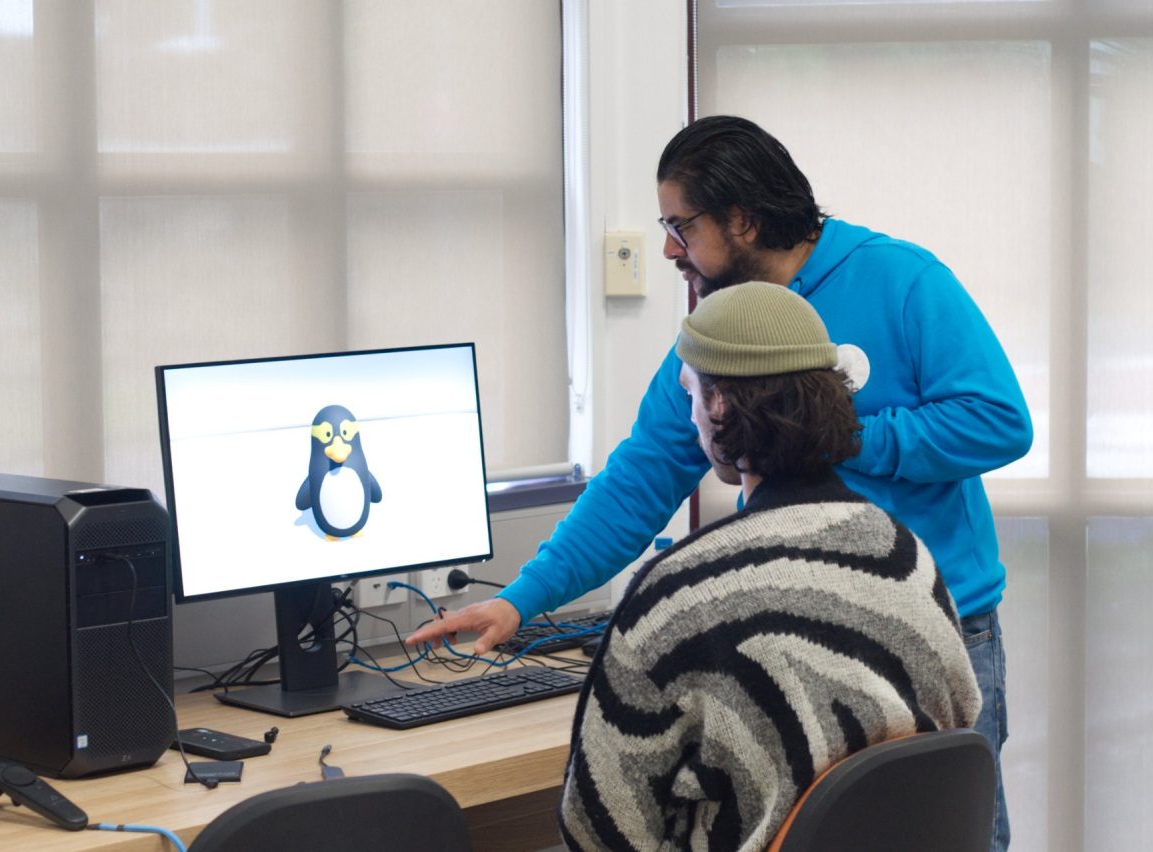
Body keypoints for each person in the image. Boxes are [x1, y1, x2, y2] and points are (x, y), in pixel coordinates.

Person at [408, 115, 1031, 850]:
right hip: (778, 629)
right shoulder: (717, 332)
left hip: (933, 622)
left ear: (742, 219)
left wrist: (837, 429)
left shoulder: (900, 279)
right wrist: (520, 601)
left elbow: (998, 420)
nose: (670, 247)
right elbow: (639, 480)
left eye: (682, 225)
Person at [558, 282, 982, 850]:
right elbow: (954, 728)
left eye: (690, 394)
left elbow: (597, 827)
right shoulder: (905, 557)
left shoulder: (678, 594)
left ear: (719, 405)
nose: (689, 417)